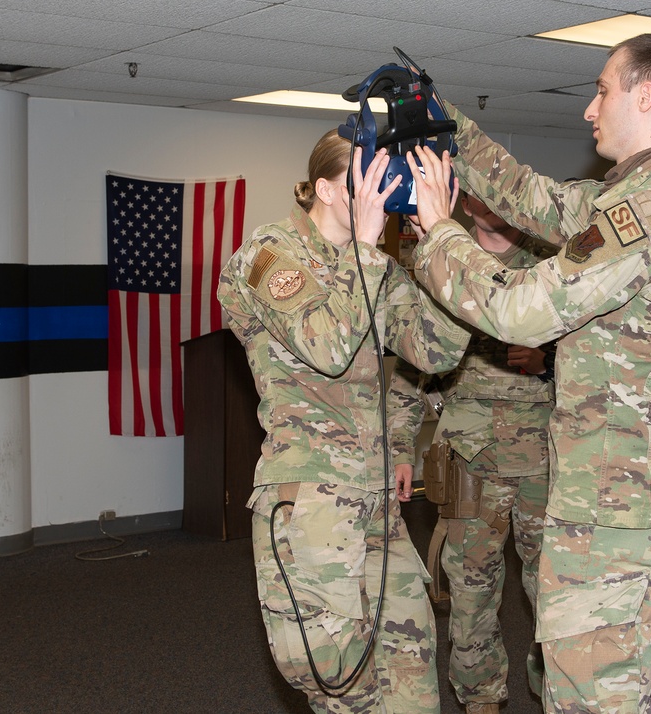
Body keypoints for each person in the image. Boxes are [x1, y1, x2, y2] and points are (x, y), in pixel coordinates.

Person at [405, 33, 651, 713]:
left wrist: (439, 231)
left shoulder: (649, 213)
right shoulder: (637, 201)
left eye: (603, 89)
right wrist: (444, 120)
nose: (589, 108)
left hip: (617, 505)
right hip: (618, 493)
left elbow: (520, 311)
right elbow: (529, 197)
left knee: (590, 698)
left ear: (645, 96)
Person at [217, 129, 469, 713]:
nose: (384, 194)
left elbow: (438, 350)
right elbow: (326, 346)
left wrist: (444, 242)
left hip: (376, 500)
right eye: (371, 179)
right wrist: (363, 248)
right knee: (337, 678)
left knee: (411, 664)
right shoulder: (268, 256)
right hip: (311, 499)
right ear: (328, 189)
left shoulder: (377, 265)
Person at [386, 191, 557, 714]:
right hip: (469, 460)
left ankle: (559, 692)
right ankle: (481, 699)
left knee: (553, 589)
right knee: (470, 589)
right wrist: (399, 447)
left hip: (544, 461)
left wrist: (549, 358)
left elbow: (603, 358)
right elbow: (411, 365)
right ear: (462, 201)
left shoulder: (549, 270)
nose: (490, 201)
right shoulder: (443, 263)